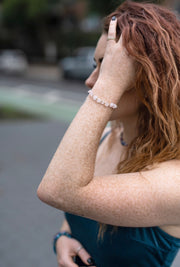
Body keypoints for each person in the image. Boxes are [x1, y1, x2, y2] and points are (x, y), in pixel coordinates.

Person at [37, 1, 180, 266]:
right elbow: (74, 211)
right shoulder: (108, 136)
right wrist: (63, 236)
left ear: (151, 77)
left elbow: (56, 190)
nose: (91, 80)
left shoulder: (176, 177)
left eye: (108, 65)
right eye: (95, 65)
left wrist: (107, 87)